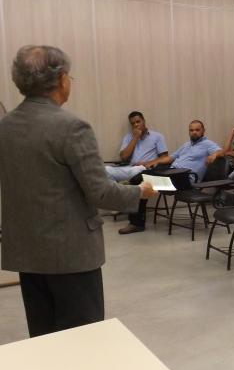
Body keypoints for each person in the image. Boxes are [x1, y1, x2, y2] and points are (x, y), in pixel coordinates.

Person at [0, 45, 155, 337]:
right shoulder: (71, 127)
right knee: (81, 341)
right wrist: (140, 192)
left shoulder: (5, 126)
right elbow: (101, 193)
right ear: (61, 79)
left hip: (27, 252)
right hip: (70, 254)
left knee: (43, 335)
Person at [119, 120, 222, 234]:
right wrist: (151, 162)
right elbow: (170, 158)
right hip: (172, 174)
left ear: (203, 131)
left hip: (186, 180)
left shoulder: (208, 144)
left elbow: (222, 152)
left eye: (197, 130)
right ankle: (136, 221)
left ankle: (136, 220)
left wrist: (215, 155)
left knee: (142, 180)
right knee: (141, 183)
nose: (194, 132)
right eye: (191, 130)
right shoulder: (186, 145)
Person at [104, 111, 168, 181]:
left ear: (144, 121)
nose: (136, 125)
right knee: (105, 170)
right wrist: (135, 137)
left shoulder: (157, 137)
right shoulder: (128, 137)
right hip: (130, 168)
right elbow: (124, 157)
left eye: (138, 122)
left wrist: (146, 163)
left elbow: (164, 157)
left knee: (135, 171)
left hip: (145, 169)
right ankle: (118, 190)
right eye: (133, 123)